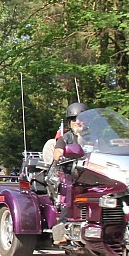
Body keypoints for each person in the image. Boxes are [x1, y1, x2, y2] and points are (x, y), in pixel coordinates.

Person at [50, 102, 88, 244]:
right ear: (70, 122)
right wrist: (62, 155)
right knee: (71, 191)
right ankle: (63, 229)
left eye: (80, 119)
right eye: (74, 120)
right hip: (65, 173)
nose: (77, 123)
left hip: (87, 173)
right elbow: (57, 154)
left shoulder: (93, 138)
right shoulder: (65, 138)